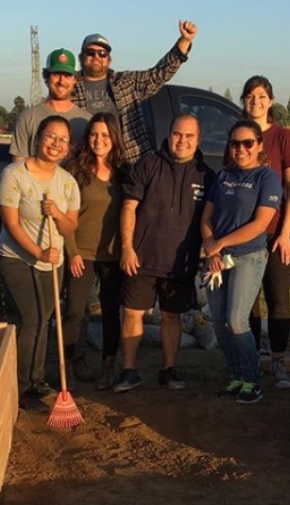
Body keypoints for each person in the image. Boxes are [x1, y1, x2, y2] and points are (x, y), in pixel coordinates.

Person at [115, 113, 214, 393]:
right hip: (141, 259)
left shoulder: (206, 175)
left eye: (189, 136)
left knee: (172, 316)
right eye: (177, 134)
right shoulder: (148, 165)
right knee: (133, 313)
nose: (182, 141)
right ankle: (128, 371)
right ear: (169, 135)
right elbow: (128, 207)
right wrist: (126, 248)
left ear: (198, 140)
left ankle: (169, 370)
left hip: (179, 265)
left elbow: (212, 219)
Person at [0, 115, 80, 411]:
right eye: (50, 136)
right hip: (18, 259)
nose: (55, 144)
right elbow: (11, 223)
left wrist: (58, 214)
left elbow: (71, 227)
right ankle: (20, 387)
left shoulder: (68, 183)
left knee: (44, 321)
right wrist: (38, 253)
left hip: (52, 264)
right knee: (31, 319)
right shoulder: (14, 174)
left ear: (68, 148)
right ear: (38, 139)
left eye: (62, 140)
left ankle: (36, 379)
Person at [201, 120, 283, 404]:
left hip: (247, 255)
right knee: (220, 323)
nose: (241, 149)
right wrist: (212, 250)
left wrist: (220, 244)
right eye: (235, 143)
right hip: (217, 258)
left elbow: (261, 223)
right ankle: (237, 376)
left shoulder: (267, 178)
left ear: (259, 145)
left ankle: (253, 380)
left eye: (248, 143)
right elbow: (206, 218)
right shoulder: (223, 176)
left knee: (237, 321)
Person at [237, 76, 290, 389]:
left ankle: (278, 361)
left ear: (271, 101)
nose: (256, 101)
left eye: (261, 96)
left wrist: (286, 232)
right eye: (250, 96)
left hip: (275, 233)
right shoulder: (237, 136)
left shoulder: (284, 137)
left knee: (278, 301)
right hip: (244, 236)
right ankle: (250, 362)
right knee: (248, 302)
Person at [62, 113, 129, 391]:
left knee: (111, 312)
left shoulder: (125, 172)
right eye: (94, 134)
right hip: (82, 253)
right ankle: (71, 366)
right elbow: (65, 216)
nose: (99, 140)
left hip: (113, 255)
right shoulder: (76, 170)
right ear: (87, 138)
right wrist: (73, 252)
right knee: (75, 312)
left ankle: (108, 366)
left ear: (114, 138)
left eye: (105, 135)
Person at [72, 20, 198, 166]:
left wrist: (184, 41)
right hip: (88, 166)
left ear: (109, 59)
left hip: (129, 165)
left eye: (102, 53)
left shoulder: (126, 83)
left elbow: (158, 74)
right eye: (90, 53)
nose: (97, 57)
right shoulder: (70, 88)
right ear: (81, 57)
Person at [10, 48, 91, 161]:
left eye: (67, 75)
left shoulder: (86, 121)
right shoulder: (27, 118)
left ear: (75, 80)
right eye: (57, 74)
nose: (61, 81)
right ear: (47, 77)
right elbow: (18, 169)